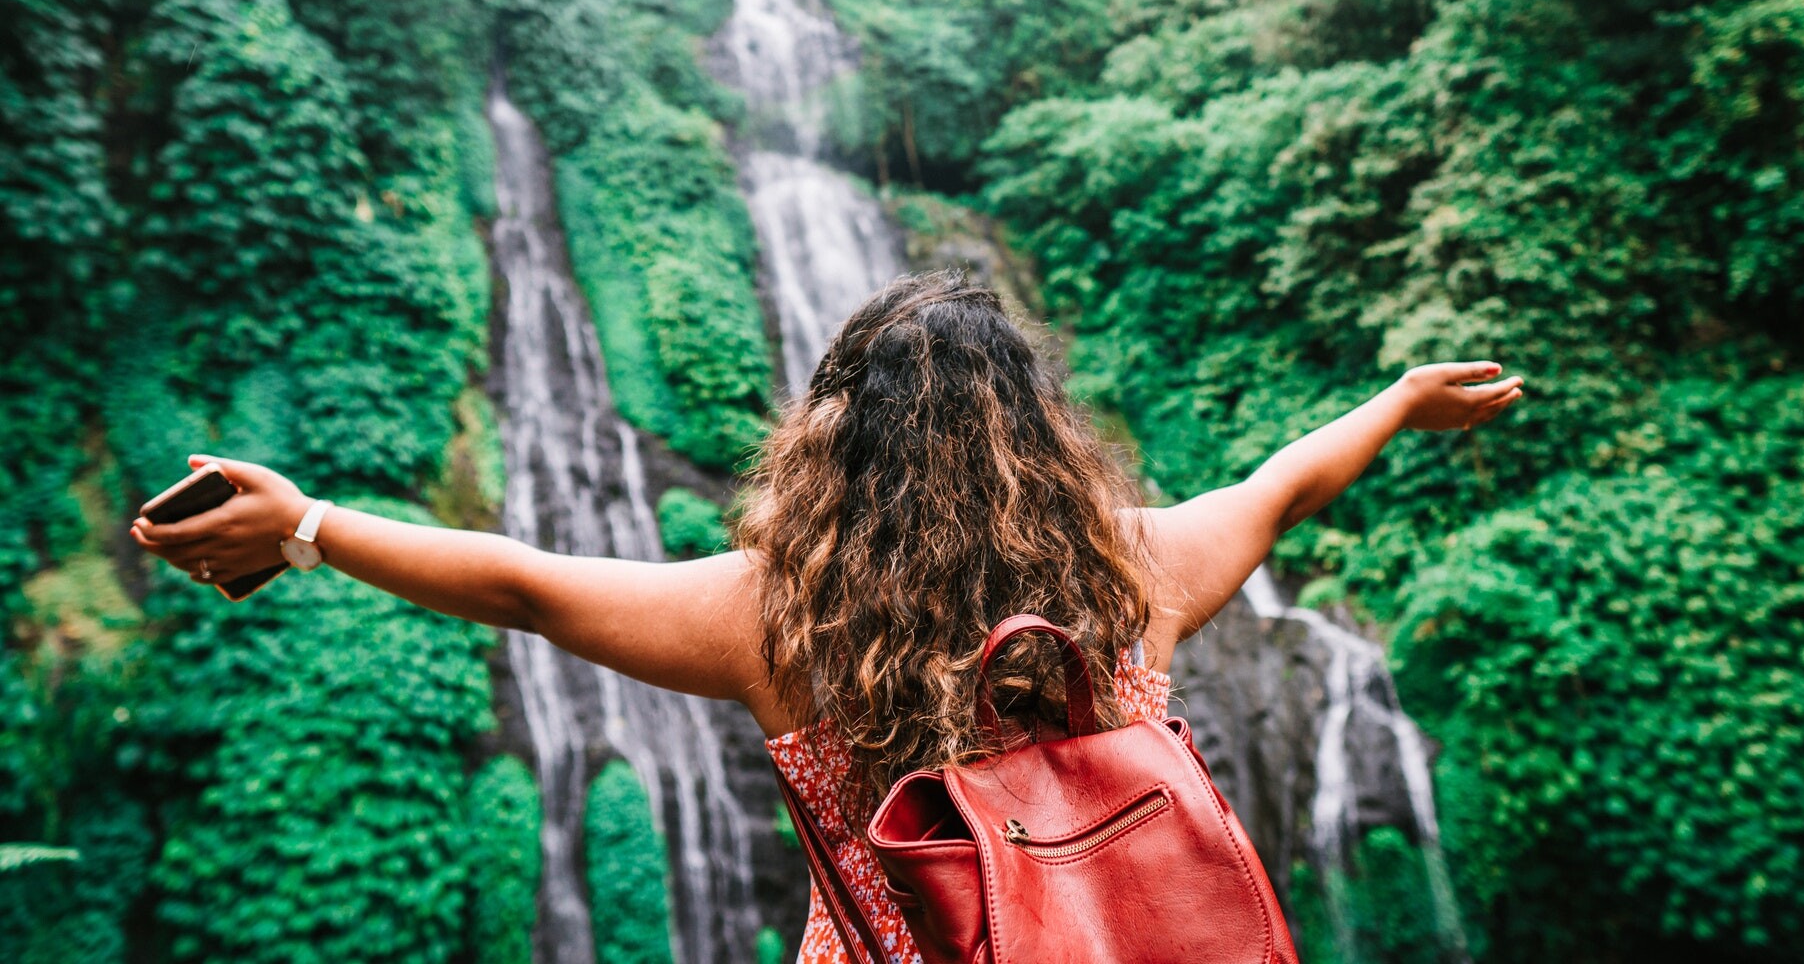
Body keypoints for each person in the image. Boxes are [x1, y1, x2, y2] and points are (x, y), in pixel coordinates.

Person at [130, 272, 1523, 962]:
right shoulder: (1131, 573)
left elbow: (522, 582)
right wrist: (1399, 400)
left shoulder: (779, 620)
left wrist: (307, 526)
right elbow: (1281, 484)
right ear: (1038, 433)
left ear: (834, 439)